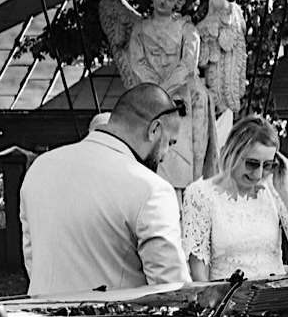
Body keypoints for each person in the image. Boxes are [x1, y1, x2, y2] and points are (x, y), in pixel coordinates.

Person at [20, 83, 192, 295]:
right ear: (154, 129)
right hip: (112, 316)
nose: (165, 155)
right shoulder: (151, 189)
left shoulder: (39, 168)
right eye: (170, 143)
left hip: (37, 313)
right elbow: (171, 290)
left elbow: (33, 262)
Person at [181, 115, 288, 281]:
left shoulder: (274, 190)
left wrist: (286, 191)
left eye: (267, 165)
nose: (258, 174)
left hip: (273, 292)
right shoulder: (200, 194)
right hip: (227, 295)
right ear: (232, 153)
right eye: (252, 164)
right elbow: (200, 273)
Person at [117, 0, 217, 190]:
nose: (163, 1)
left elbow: (188, 63)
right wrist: (156, 90)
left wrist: (164, 89)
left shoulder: (187, 29)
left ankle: (194, 186)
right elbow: (137, 63)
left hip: (182, 92)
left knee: (193, 125)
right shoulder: (140, 29)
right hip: (150, 91)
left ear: (177, 3)